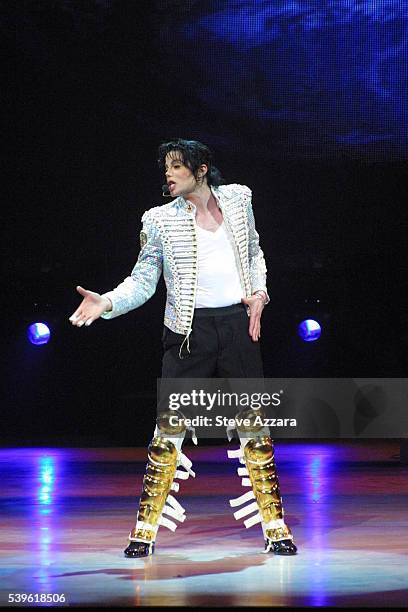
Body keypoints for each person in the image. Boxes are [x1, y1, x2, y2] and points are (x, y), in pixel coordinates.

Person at [69, 139, 297, 557]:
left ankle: (276, 526)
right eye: (167, 168)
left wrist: (260, 293)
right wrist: (106, 302)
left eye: (177, 167)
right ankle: (144, 529)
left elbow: (256, 253)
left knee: (254, 425)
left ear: (202, 169)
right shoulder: (159, 219)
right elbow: (143, 280)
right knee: (168, 429)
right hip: (188, 332)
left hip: (236, 324)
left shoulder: (239, 198)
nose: (168, 174)